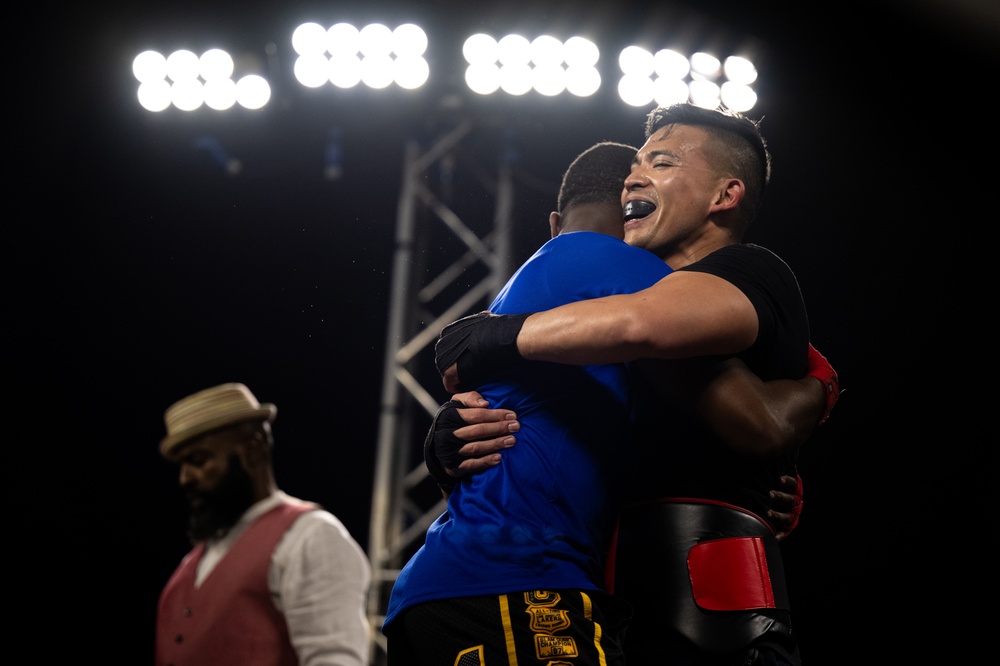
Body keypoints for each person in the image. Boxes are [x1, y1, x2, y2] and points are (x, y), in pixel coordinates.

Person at [385, 140, 832, 666]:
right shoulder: (622, 269)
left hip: (455, 585)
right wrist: (818, 379)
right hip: (519, 581)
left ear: (553, 222)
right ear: (627, 214)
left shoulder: (539, 282)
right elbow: (760, 419)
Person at [154, 382, 373, 666]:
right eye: (181, 465)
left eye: (198, 460)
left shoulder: (311, 537)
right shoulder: (194, 561)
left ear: (253, 450)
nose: (185, 478)